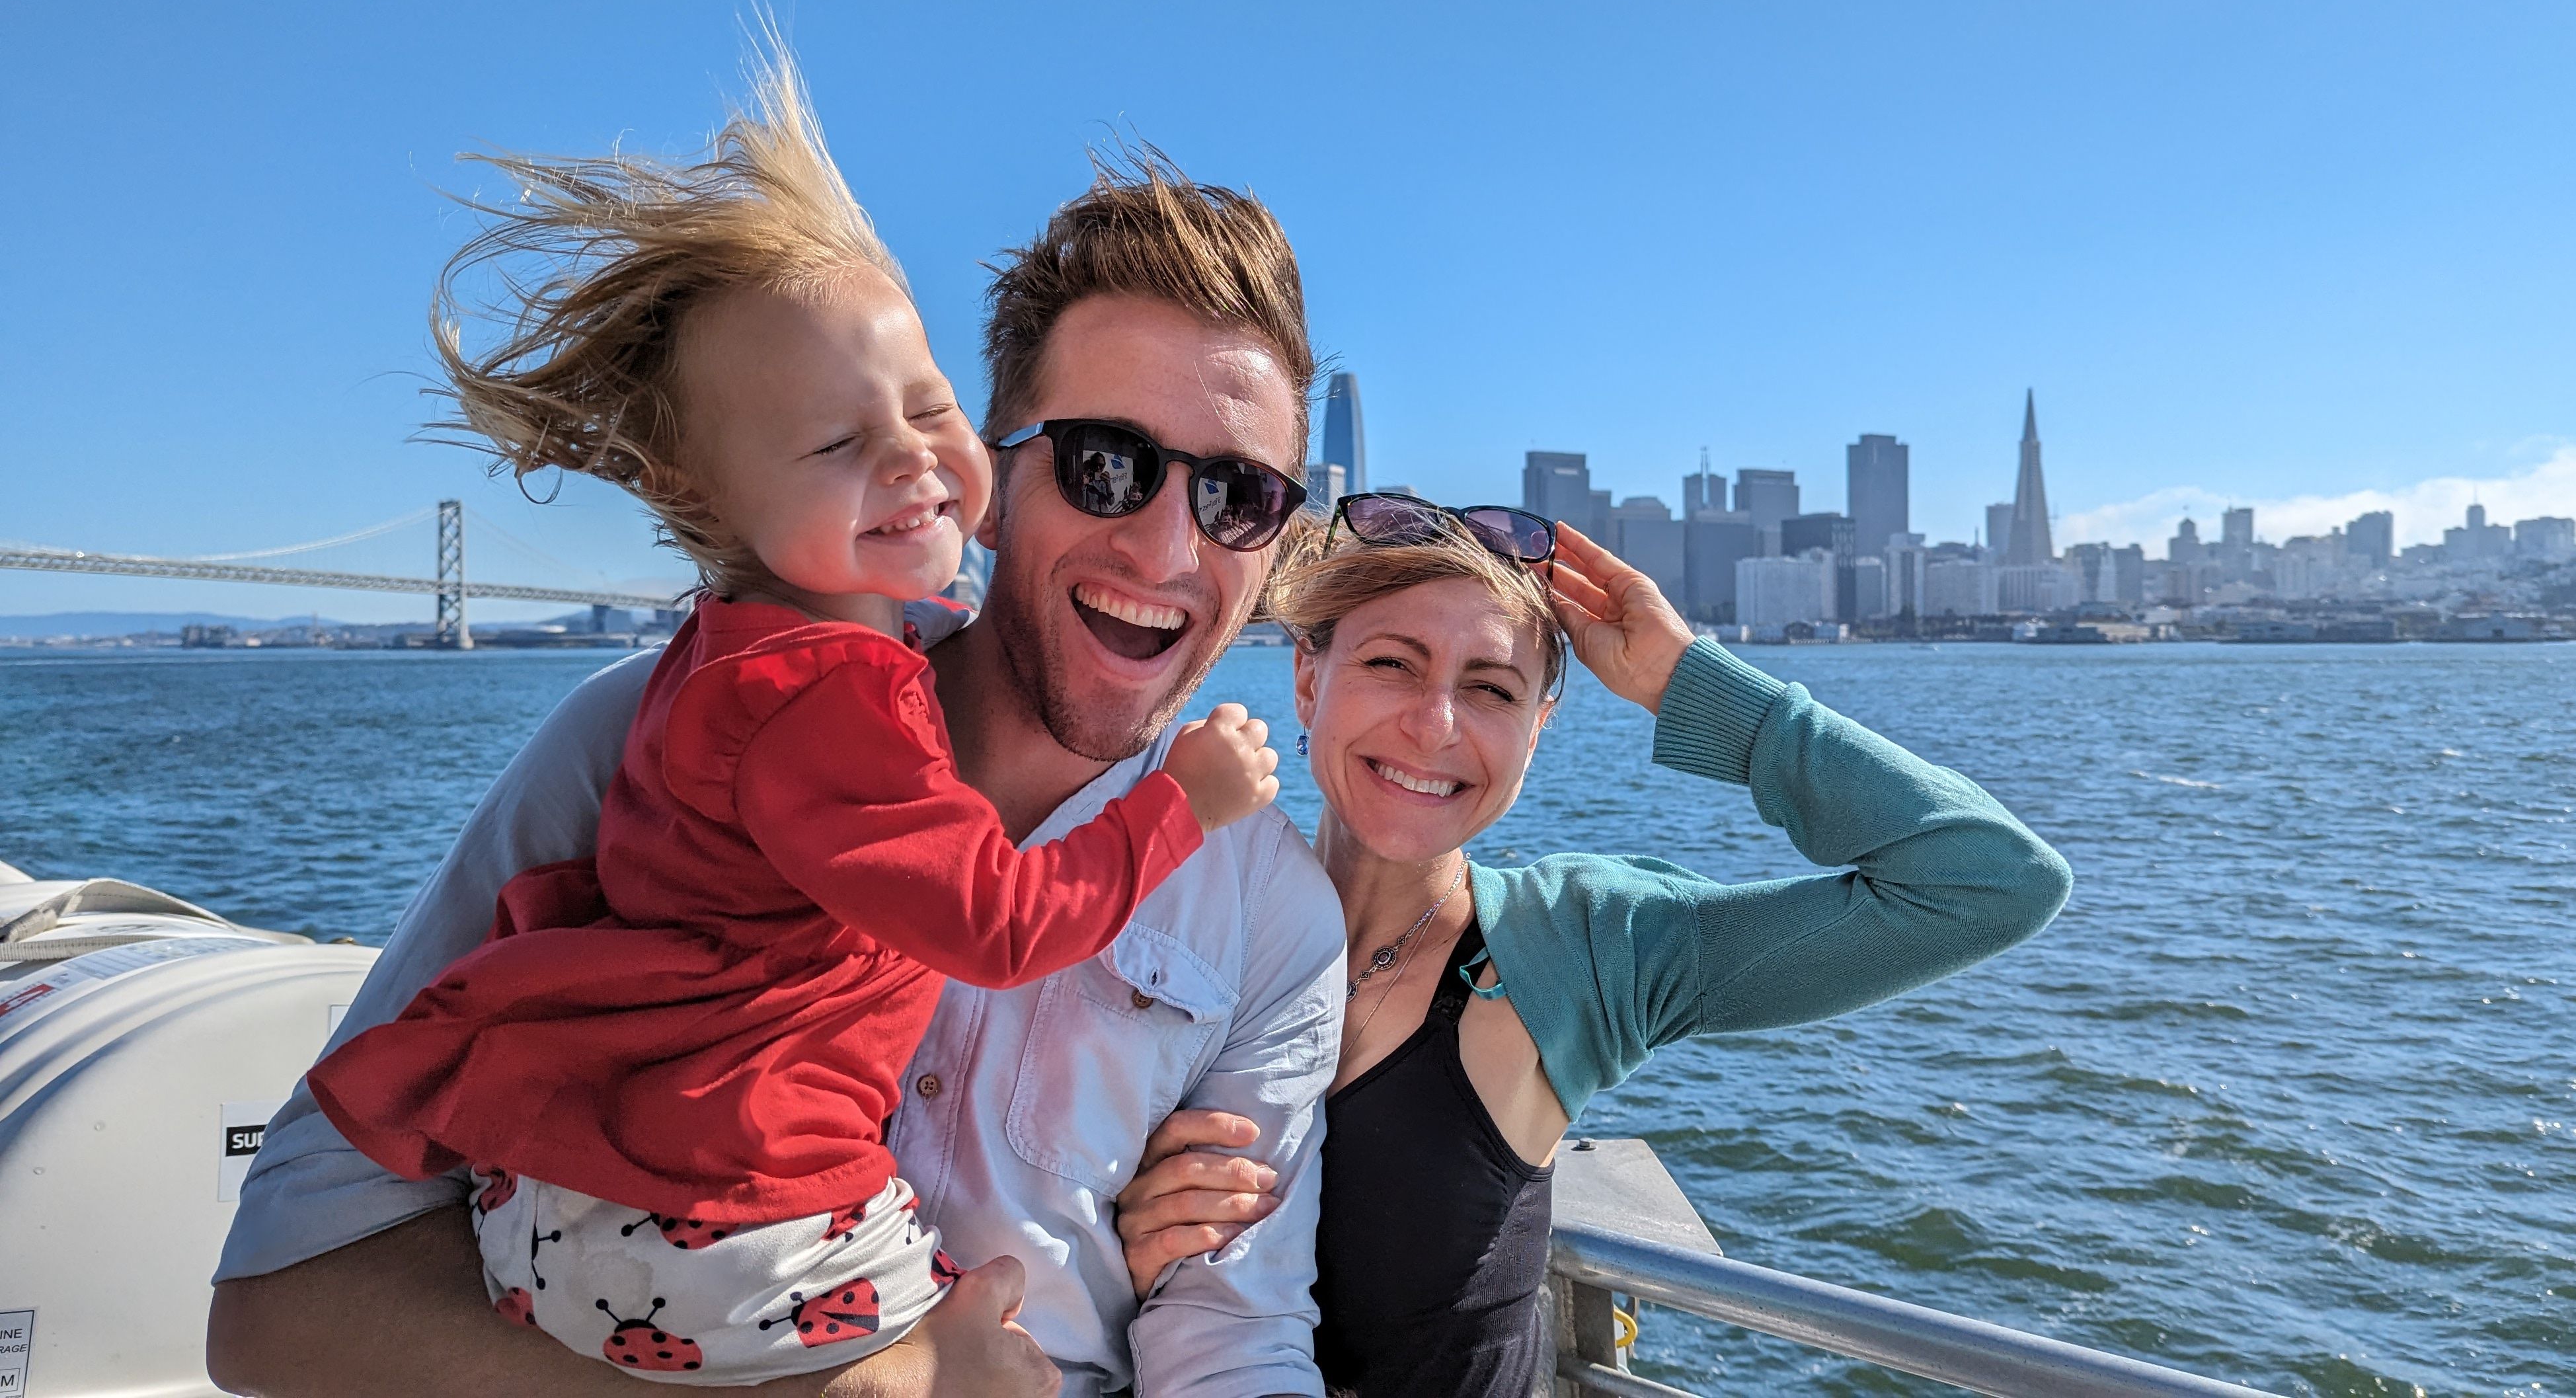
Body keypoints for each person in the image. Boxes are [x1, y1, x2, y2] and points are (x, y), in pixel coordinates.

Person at [206, 137, 1348, 1394]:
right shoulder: (650, 736)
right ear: (999, 470)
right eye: (1108, 465)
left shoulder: (1276, 918)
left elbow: (1236, 1342)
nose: (1167, 545)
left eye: (1238, 495)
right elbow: (279, 1309)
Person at [1114, 498, 2074, 1397]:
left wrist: (1684, 682)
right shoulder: (1179, 900)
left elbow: (1990, 882)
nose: (1435, 723)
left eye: (1490, 689)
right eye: (1392, 665)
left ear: (1539, 731)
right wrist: (1130, 1250)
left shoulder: (1572, 946)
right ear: (1310, 679)